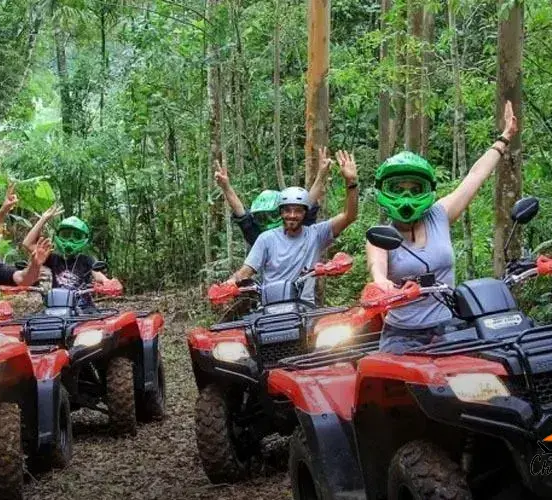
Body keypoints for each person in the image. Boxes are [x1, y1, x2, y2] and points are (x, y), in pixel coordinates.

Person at [367, 101, 519, 354]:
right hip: (402, 334)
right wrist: (384, 286)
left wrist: (504, 138)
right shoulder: (380, 235)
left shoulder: (439, 215)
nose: (407, 196)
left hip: (448, 327)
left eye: (414, 189)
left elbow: (474, 177)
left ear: (425, 189)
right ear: (386, 191)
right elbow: (377, 269)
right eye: (398, 189)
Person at [222, 147, 359, 305]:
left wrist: (351, 182)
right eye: (287, 210)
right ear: (281, 212)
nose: (292, 215)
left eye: (297, 211)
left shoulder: (316, 234)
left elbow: (350, 216)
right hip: (269, 308)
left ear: (305, 213)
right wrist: (229, 284)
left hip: (304, 308)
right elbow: (246, 270)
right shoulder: (265, 238)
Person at [214, 151, 339, 246]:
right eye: (262, 217)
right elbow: (240, 212)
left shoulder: (298, 226)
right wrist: (226, 186)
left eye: (271, 215)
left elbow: (308, 202)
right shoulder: (258, 236)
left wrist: (322, 174)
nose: (267, 221)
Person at [22, 204, 109, 311]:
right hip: (57, 307)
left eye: (76, 236)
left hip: (84, 308)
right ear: (59, 235)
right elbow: (28, 244)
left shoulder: (86, 260)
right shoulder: (53, 258)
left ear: (84, 238)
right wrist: (43, 219)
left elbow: (98, 275)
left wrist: (108, 283)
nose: (70, 240)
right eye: (66, 235)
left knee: (97, 326)